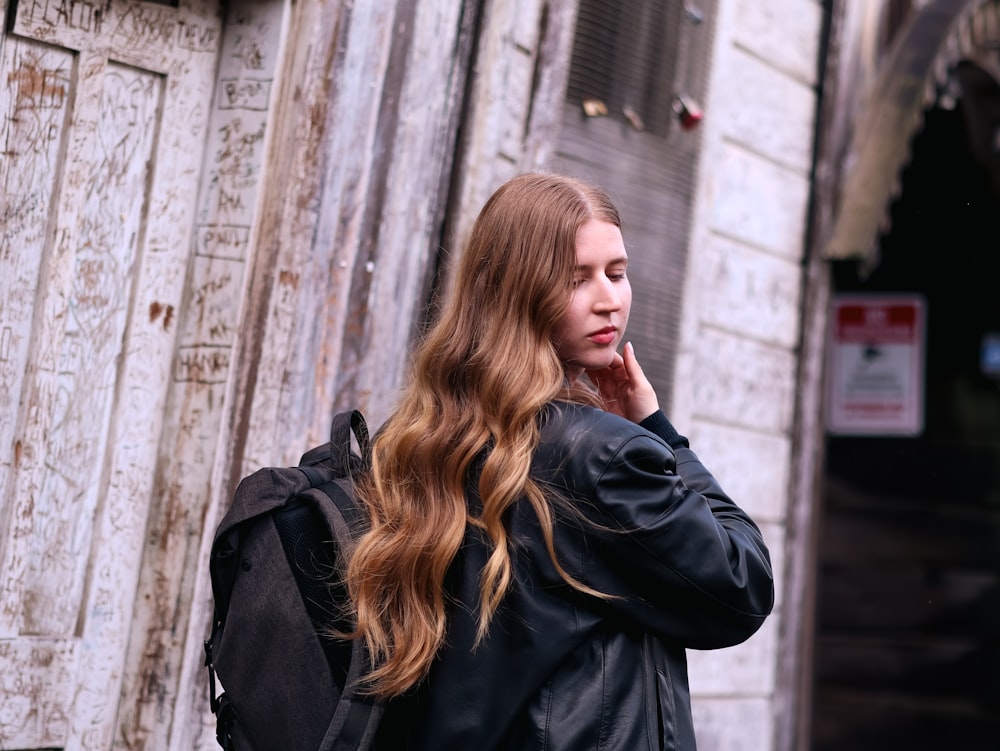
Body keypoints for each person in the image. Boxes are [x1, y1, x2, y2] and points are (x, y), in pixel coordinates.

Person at [346, 172, 774, 750]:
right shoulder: (599, 455)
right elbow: (742, 586)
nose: (609, 299)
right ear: (518, 291)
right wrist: (659, 432)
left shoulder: (422, 437)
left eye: (617, 273)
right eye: (578, 280)